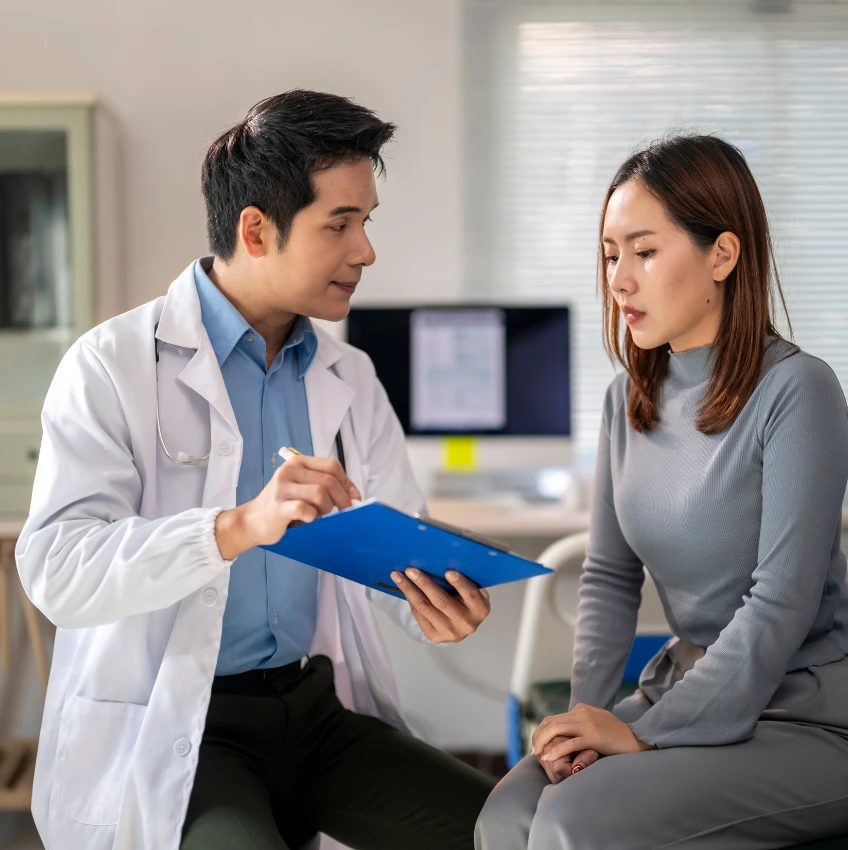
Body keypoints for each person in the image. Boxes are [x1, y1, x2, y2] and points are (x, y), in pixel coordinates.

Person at [16, 90, 495, 850]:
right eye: (339, 224)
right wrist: (237, 527)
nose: (364, 250)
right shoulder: (112, 366)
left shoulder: (350, 376)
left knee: (523, 833)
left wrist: (440, 596)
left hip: (315, 714)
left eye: (365, 222)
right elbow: (58, 570)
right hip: (184, 724)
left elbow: (394, 551)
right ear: (256, 230)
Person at [476, 134, 848, 849]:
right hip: (683, 687)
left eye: (643, 252)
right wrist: (585, 724)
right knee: (506, 814)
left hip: (804, 711)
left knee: (572, 822)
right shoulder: (627, 400)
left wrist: (643, 733)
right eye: (611, 254)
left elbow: (782, 601)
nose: (618, 281)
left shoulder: (799, 391)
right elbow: (610, 579)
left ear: (722, 255)